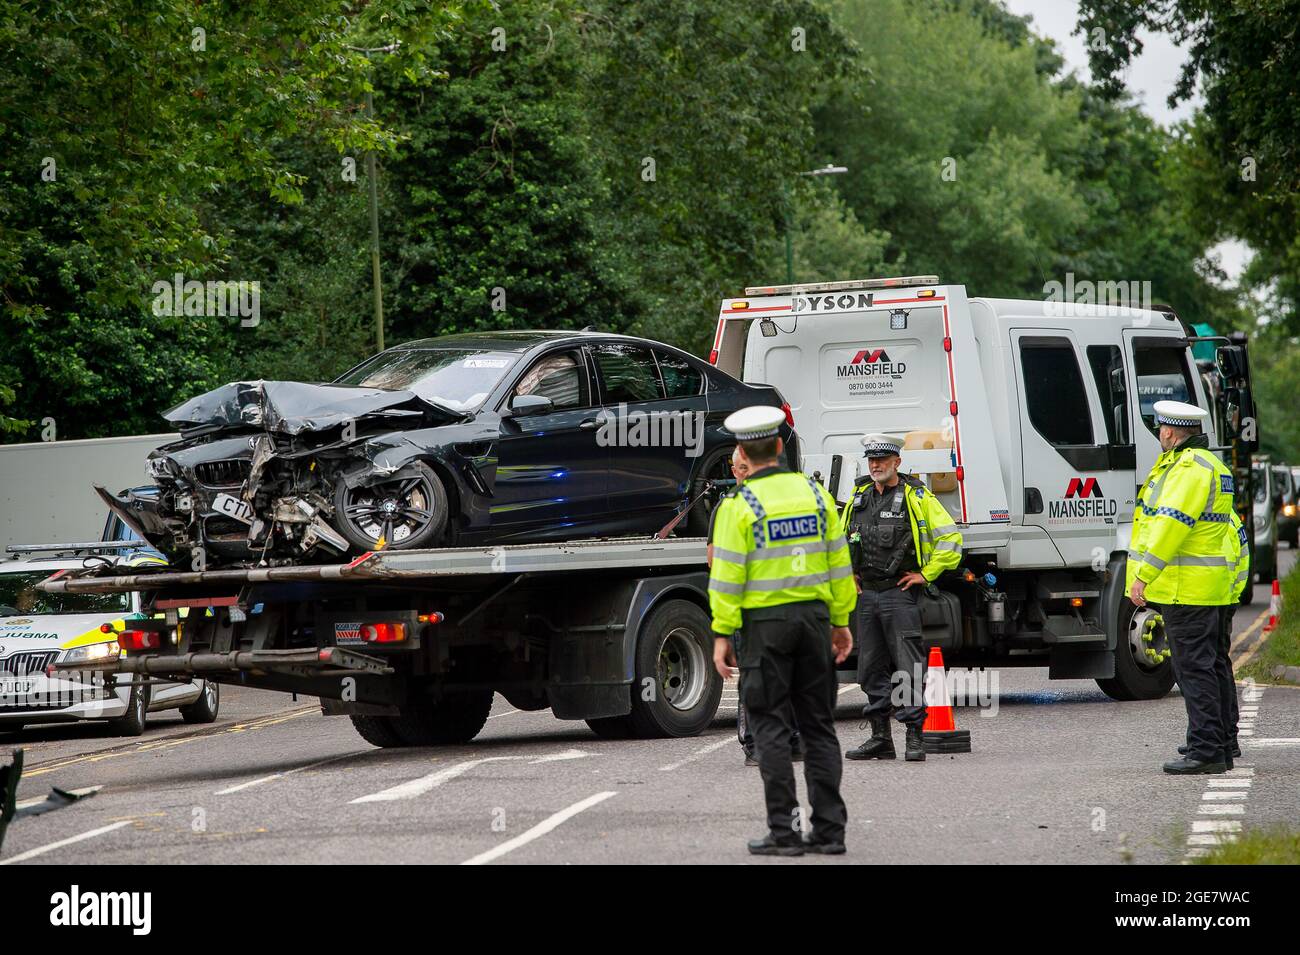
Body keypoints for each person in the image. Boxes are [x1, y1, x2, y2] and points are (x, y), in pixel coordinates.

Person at [708, 406, 856, 856]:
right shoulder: (816, 496)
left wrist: (721, 633)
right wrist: (841, 621)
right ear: (778, 446)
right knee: (818, 727)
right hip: (814, 621)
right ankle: (830, 832)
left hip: (764, 629)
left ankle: (785, 832)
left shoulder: (739, 507)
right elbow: (839, 563)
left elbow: (728, 577)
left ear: (745, 457)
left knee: (770, 727)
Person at [1126, 400, 1244, 775]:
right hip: (1208, 586)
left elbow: (1170, 526)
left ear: (1170, 432)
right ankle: (1218, 741)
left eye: (1161, 429)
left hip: (1185, 588)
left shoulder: (1187, 469)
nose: (1160, 434)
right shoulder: (1213, 465)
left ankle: (1207, 750)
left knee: (1193, 669)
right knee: (1212, 665)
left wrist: (1143, 574)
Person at [841, 434, 962, 763]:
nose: (876, 465)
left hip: (899, 593)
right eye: (871, 460)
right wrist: (847, 571)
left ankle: (914, 736)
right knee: (869, 668)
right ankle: (881, 738)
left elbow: (950, 538)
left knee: (908, 668)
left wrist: (927, 573)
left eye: (882, 459)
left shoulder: (915, 496)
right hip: (867, 594)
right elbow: (843, 539)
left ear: (897, 462)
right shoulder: (859, 495)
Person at [707, 447, 804, 766]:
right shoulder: (727, 508)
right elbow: (715, 561)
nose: (748, 473)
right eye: (742, 469)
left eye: (753, 467)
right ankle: (753, 744)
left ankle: (791, 739)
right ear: (734, 472)